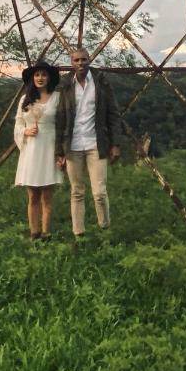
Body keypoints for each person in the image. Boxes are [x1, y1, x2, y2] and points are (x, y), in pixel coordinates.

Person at [55, 47, 120, 238]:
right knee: (77, 191)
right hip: (72, 145)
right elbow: (60, 119)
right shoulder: (66, 85)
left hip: (96, 144)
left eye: (84, 59)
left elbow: (113, 113)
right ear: (72, 62)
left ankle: (105, 228)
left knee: (99, 192)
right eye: (76, 60)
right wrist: (58, 151)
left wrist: (115, 144)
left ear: (89, 60)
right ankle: (79, 234)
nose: (80, 63)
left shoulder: (100, 82)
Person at [14, 61, 63, 240]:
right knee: (33, 194)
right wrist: (25, 131)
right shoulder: (24, 99)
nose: (40, 78)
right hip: (31, 150)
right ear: (32, 78)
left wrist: (61, 152)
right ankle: (34, 232)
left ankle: (46, 232)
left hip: (49, 147)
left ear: (49, 77)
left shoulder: (58, 97)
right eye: (37, 75)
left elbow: (63, 125)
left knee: (47, 195)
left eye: (43, 75)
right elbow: (18, 123)